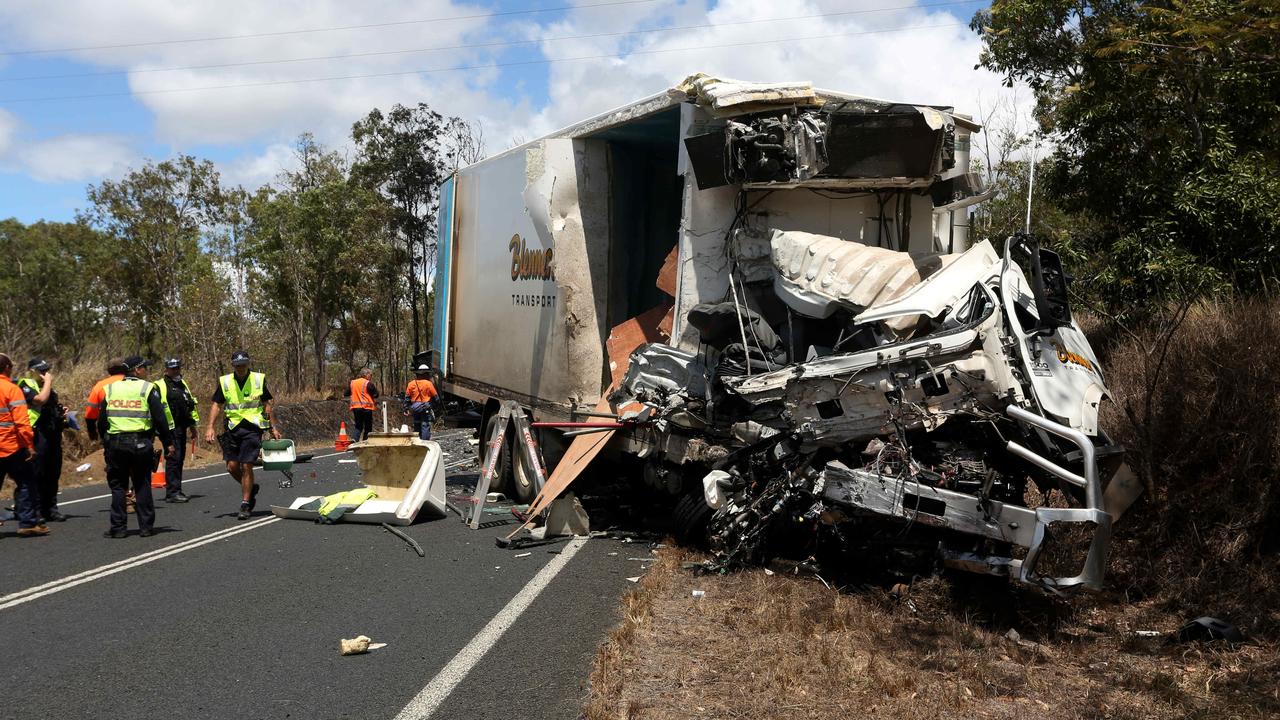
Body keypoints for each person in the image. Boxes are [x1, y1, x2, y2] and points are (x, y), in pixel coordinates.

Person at [99, 356, 173, 538]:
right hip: (140, 443)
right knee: (142, 484)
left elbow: (102, 421)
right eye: (145, 368)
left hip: (116, 443)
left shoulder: (110, 389)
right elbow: (160, 419)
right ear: (137, 370)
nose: (147, 371)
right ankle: (146, 527)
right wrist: (168, 442)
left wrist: (106, 442)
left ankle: (118, 529)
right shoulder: (147, 388)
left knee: (118, 486)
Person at [205, 350, 281, 521]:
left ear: (248, 363)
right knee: (231, 467)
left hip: (252, 428)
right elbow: (217, 405)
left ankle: (245, 503)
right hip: (232, 428)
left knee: (247, 465)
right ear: (233, 365)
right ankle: (251, 487)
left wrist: (273, 427)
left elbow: (266, 405)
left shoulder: (257, 379)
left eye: (243, 364)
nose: (240, 367)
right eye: (237, 365)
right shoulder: (225, 381)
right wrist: (210, 427)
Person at [0, 353, 47, 537]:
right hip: (12, 446)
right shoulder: (11, 389)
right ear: (7, 368)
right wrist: (29, 445)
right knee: (26, 482)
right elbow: (21, 421)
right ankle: (27, 523)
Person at [17, 358, 67, 522]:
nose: (45, 373)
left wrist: (61, 413)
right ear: (32, 371)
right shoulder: (25, 384)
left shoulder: (48, 388)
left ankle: (50, 508)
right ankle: (35, 510)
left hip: (52, 432)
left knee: (53, 471)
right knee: (37, 472)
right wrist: (48, 383)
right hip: (36, 433)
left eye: (47, 370)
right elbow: (39, 400)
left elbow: (49, 404)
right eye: (41, 370)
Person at [156, 357, 199, 503]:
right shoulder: (160, 385)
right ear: (166, 369)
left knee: (179, 459)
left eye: (177, 368)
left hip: (181, 427)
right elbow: (156, 408)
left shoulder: (182, 384)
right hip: (168, 428)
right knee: (173, 458)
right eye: (172, 368)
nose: (175, 370)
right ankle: (172, 492)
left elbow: (190, 405)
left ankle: (176, 489)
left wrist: (193, 427)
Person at [84, 358, 128, 443]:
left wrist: (92, 433)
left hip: (110, 433)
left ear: (109, 370)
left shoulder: (100, 386)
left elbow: (90, 414)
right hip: (137, 432)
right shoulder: (136, 383)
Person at [405, 363, 439, 440]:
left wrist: (406, 409)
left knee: (416, 424)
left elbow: (407, 398)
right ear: (426, 374)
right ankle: (425, 443)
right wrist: (433, 406)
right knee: (425, 425)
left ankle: (418, 442)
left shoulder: (411, 384)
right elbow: (436, 398)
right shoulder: (429, 384)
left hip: (415, 407)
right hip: (425, 407)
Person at [346, 368, 379, 441]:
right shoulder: (368, 383)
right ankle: (365, 441)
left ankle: (354, 439)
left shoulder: (353, 382)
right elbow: (376, 394)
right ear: (366, 375)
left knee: (358, 426)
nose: (371, 377)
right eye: (370, 375)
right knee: (368, 427)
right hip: (367, 408)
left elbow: (346, 393)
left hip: (356, 408)